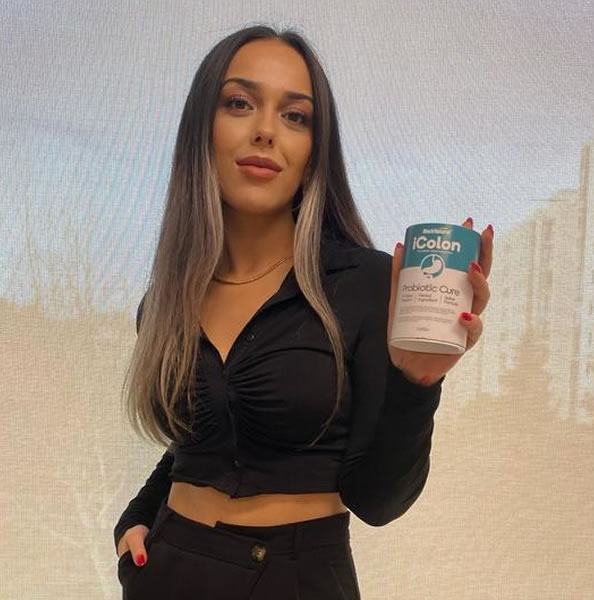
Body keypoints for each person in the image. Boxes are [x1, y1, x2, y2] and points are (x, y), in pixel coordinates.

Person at [113, 24, 493, 600]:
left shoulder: (365, 284)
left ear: (315, 153)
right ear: (201, 133)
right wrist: (137, 518)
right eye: (239, 103)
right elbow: (195, 444)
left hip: (296, 579)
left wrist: (417, 381)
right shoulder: (165, 301)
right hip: (166, 571)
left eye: (295, 116)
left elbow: (378, 502)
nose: (265, 130)